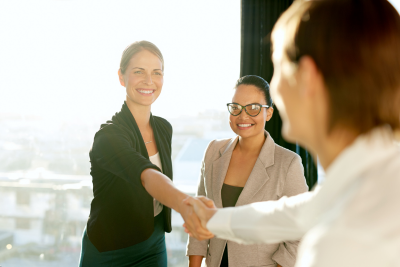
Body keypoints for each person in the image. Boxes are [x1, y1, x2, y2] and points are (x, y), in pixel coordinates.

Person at [184, 0, 400, 266]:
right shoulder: (375, 176)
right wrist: (214, 220)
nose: (276, 86)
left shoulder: (338, 244)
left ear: (306, 77)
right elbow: (292, 215)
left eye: (278, 68)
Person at [79, 41, 212, 267]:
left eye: (156, 73)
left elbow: (160, 184)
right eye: (138, 72)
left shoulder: (163, 128)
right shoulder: (108, 136)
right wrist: (185, 204)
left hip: (153, 241)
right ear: (122, 77)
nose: (149, 80)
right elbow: (146, 175)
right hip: (110, 248)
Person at [186, 75, 308, 267]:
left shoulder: (289, 163)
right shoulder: (213, 152)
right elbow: (199, 217)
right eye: (236, 107)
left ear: (268, 113)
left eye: (253, 108)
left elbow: (301, 230)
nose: (243, 116)